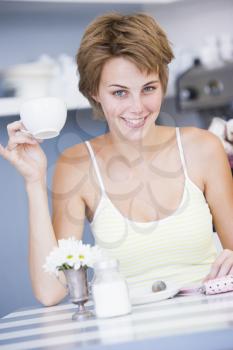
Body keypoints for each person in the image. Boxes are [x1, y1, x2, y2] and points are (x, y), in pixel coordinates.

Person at [0, 12, 233, 306]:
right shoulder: (77, 166)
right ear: (94, 92)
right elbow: (51, 291)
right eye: (120, 92)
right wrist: (33, 182)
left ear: (162, 83)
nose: (137, 107)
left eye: (148, 88)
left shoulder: (203, 148)